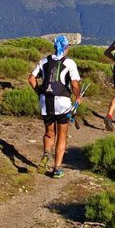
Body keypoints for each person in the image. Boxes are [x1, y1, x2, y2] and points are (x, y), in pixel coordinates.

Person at [28, 35, 81, 179]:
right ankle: (57, 168)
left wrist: (39, 92)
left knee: (49, 132)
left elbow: (31, 78)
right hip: (63, 102)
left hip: (46, 101)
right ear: (66, 48)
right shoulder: (69, 63)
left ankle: (46, 153)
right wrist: (78, 95)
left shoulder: (44, 60)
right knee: (62, 135)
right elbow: (75, 84)